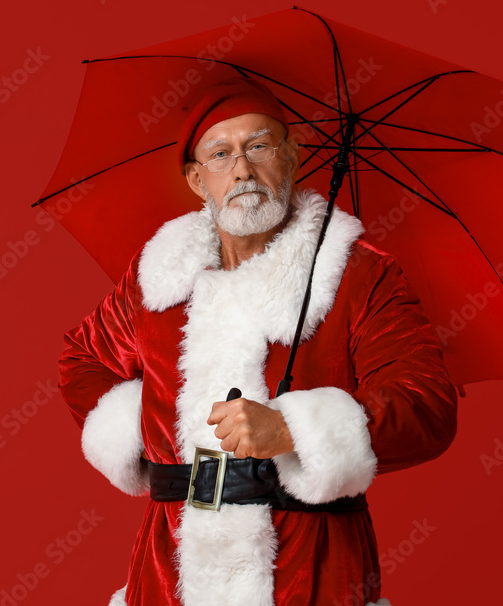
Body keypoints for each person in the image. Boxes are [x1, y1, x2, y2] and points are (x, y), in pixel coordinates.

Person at [58, 76, 457, 606]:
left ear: (292, 157)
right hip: (170, 570)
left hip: (309, 568)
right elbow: (82, 361)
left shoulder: (357, 274)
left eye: (259, 146)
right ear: (198, 181)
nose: (242, 169)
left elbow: (426, 406)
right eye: (220, 155)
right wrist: (149, 425)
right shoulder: (158, 279)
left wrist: (291, 428)